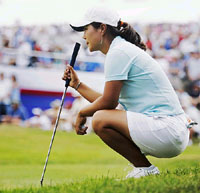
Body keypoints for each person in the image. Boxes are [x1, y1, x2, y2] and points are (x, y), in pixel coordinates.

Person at [62, 6, 191, 179]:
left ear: (102, 28)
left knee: (99, 119)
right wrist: (78, 85)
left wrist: (82, 113)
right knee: (102, 115)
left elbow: (108, 103)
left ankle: (145, 169)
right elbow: (109, 102)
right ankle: (144, 169)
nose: (84, 36)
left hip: (167, 130)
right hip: (170, 130)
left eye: (86, 29)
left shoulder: (118, 52)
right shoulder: (120, 49)